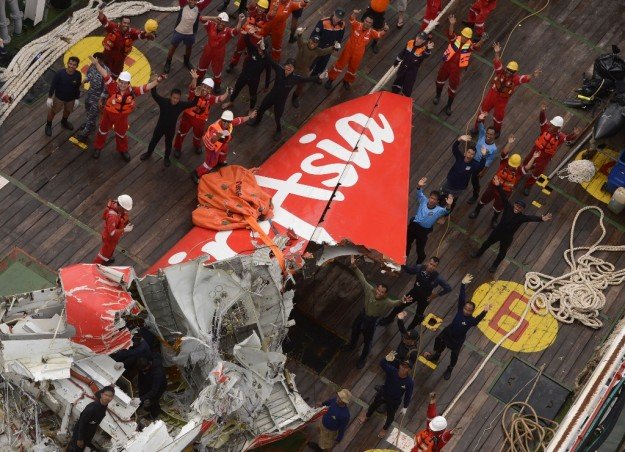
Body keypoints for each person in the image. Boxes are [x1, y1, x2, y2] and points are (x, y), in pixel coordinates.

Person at [341, 256, 412, 369]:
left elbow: (396, 303)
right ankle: (352, 345)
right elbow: (362, 278)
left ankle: (363, 358)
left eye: (382, 292)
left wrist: (402, 301)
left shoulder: (387, 302)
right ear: (376, 288)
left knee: (368, 342)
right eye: (378, 290)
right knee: (354, 330)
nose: (379, 293)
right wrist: (354, 267)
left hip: (371, 322)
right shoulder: (369, 290)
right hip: (362, 316)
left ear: (385, 294)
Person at [471, 179, 552, 272]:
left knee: (502, 253)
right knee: (486, 243)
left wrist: (541, 219)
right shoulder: (508, 207)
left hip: (507, 237)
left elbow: (531, 218)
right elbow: (503, 196)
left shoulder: (522, 218)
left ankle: (495, 265)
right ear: (514, 205)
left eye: (520, 208)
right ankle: (478, 254)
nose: (517, 208)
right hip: (497, 232)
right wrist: (498, 186)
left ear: (522, 210)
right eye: (517, 206)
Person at [90, 57, 163, 160]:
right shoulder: (112, 86)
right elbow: (105, 74)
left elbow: (146, 87)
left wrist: (158, 81)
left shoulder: (133, 92)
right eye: (121, 82)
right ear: (118, 81)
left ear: (128, 84)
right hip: (108, 115)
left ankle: (122, 150)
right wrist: (97, 64)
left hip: (122, 118)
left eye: (125, 83)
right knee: (102, 131)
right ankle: (98, 148)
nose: (122, 85)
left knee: (121, 134)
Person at [423, 274, 490, 379]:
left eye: (469, 310)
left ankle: (450, 368)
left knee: (454, 355)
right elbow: (462, 297)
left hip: (457, 340)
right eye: (465, 308)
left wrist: (484, 312)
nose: (466, 311)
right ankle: (436, 355)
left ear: (472, 311)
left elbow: (478, 320)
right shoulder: (460, 309)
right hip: (448, 332)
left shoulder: (471, 321)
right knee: (439, 341)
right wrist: (463, 284)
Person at [474, 42, 540, 136]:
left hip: (502, 100)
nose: (509, 72)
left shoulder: (516, 79)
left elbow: (525, 78)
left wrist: (533, 75)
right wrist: (497, 52)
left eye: (512, 71)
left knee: (498, 117)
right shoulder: (500, 72)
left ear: (515, 72)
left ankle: (497, 131)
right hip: (492, 95)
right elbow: (497, 62)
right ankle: (477, 128)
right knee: (482, 112)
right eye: (508, 69)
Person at [469, 141, 540, 228]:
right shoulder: (504, 162)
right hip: (493, 187)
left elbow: (527, 167)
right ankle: (476, 211)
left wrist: (533, 157)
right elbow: (504, 152)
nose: (512, 166)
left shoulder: (519, 171)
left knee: (499, 207)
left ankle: (494, 219)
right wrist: (509, 143)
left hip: (504, 193)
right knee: (483, 199)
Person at [248, 58, 322, 140]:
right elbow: (270, 60)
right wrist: (264, 49)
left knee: (278, 118)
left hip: (280, 101)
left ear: (294, 69)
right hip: (271, 96)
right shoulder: (279, 70)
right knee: (261, 109)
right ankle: (257, 121)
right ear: (284, 66)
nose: (289, 68)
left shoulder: (295, 78)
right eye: (288, 65)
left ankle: (278, 131)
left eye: (292, 67)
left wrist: (318, 77)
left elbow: (307, 79)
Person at [522, 103, 580, 195]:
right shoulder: (545, 128)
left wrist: (574, 134)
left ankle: (528, 185)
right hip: (535, 151)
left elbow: (567, 138)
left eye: (554, 126)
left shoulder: (560, 136)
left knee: (537, 172)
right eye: (552, 124)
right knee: (526, 162)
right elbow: (542, 120)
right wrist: (542, 111)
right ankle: (522, 172)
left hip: (545, 157)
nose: (552, 126)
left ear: (558, 128)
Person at [379, 257, 451, 329]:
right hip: (414, 292)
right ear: (427, 262)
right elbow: (410, 271)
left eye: (434, 266)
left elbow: (448, 288)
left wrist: (436, 295)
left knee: (418, 316)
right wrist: (402, 263)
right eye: (430, 264)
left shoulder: (438, 278)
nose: (431, 267)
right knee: (400, 305)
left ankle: (409, 331)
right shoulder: (419, 268)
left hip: (425, 298)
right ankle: (389, 318)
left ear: (436, 267)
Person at [434, 14, 485, 115]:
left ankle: (449, 105)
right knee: (440, 81)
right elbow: (450, 33)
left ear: (469, 38)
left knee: (453, 88)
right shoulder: (455, 39)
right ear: (461, 34)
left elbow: (476, 47)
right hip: (446, 64)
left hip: (457, 70)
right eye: (464, 36)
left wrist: (482, 40)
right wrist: (451, 24)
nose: (464, 39)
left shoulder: (470, 45)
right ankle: (438, 96)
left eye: (467, 38)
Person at [325, 10, 388, 90]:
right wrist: (354, 13)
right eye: (366, 21)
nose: (367, 23)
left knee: (353, 68)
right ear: (364, 20)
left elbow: (379, 35)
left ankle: (347, 81)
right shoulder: (357, 25)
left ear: (371, 24)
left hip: (358, 54)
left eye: (369, 23)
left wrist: (385, 30)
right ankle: (330, 80)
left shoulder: (372, 32)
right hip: (348, 50)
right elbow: (352, 19)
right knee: (339, 65)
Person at [139, 86, 198, 166]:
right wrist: (154, 84)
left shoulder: (181, 105)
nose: (175, 100)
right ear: (170, 96)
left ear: (179, 99)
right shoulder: (164, 102)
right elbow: (155, 95)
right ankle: (148, 154)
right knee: (154, 141)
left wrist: (197, 96)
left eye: (177, 98)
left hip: (170, 129)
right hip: (160, 127)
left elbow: (193, 103)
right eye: (174, 98)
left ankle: (166, 158)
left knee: (168, 144)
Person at [358, 355, 414, 439]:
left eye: (406, 367)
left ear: (409, 370)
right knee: (373, 405)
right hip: (383, 394)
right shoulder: (392, 370)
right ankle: (367, 416)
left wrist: (405, 407)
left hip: (394, 401)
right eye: (402, 365)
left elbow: (408, 395)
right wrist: (386, 358)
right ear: (400, 365)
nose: (403, 368)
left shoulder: (409, 382)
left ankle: (385, 429)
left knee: (390, 416)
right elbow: (382, 364)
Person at [174, 71, 228, 156]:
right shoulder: (196, 92)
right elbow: (192, 87)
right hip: (188, 117)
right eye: (204, 86)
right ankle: (177, 147)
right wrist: (195, 79)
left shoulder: (210, 98)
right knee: (181, 132)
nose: (205, 89)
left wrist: (227, 93)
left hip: (200, 120)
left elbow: (220, 99)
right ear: (201, 86)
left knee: (198, 135)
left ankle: (197, 145)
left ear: (210, 90)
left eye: (208, 88)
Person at [193, 109, 256, 183]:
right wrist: (221, 134)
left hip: (221, 144)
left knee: (224, 150)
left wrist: (249, 117)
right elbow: (212, 140)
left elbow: (239, 120)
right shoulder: (214, 128)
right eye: (224, 121)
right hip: (213, 148)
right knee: (210, 163)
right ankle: (196, 173)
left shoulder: (230, 123)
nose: (226, 123)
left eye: (228, 122)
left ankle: (220, 161)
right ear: (222, 119)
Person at [467, 113, 513, 204]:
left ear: (494, 135)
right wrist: (480, 118)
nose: (488, 135)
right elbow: (480, 124)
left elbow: (489, 161)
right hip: (471, 159)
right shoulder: (482, 135)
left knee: (474, 180)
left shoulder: (493, 149)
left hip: (479, 164)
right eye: (487, 133)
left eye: (491, 134)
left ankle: (475, 194)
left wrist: (483, 171)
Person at [406, 177, 452, 264]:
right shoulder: (423, 200)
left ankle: (419, 262)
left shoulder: (439, 210)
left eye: (434, 199)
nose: (432, 200)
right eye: (431, 198)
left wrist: (449, 205)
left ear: (438, 201)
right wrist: (419, 186)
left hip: (423, 231)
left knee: (420, 249)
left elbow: (447, 210)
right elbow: (419, 193)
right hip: (414, 226)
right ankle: (404, 258)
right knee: (406, 243)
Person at [98, 8, 154, 78]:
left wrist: (148, 33)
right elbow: (104, 21)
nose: (126, 25)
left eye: (128, 23)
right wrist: (101, 13)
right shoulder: (113, 27)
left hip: (119, 61)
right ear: (120, 23)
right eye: (124, 23)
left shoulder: (131, 32)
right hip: (107, 56)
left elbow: (141, 35)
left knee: (115, 76)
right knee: (100, 74)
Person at [197, 13, 245, 93]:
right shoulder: (211, 25)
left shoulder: (228, 31)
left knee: (217, 69)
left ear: (226, 23)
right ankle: (199, 79)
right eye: (220, 21)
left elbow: (236, 31)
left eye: (224, 22)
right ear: (217, 20)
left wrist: (240, 21)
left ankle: (217, 84)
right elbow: (201, 18)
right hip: (208, 50)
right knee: (202, 65)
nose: (221, 24)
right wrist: (212, 17)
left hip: (219, 53)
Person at [291, 29, 337, 107]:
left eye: (316, 43)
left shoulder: (318, 51)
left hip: (304, 71)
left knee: (300, 87)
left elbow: (325, 51)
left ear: (318, 44)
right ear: (309, 40)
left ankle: (294, 98)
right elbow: (299, 39)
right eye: (312, 41)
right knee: (287, 83)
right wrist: (299, 34)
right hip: (294, 68)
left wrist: (333, 47)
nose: (313, 43)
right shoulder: (303, 44)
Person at [164, 0, 212, 73]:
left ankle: (186, 61)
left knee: (189, 47)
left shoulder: (200, 6)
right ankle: (168, 61)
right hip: (179, 30)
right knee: (174, 46)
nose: (193, 1)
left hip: (191, 32)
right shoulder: (183, 2)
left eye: (195, 0)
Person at [223, 36, 270, 112]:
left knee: (253, 96)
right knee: (236, 89)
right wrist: (249, 33)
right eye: (259, 47)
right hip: (244, 75)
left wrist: (267, 86)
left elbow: (268, 73)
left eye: (261, 48)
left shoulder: (267, 59)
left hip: (254, 80)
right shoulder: (253, 49)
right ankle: (231, 102)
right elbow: (246, 39)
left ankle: (251, 109)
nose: (259, 50)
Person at [66, 386, 115, 451]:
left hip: (87, 437)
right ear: (101, 394)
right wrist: (80, 439)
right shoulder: (92, 408)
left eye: (110, 396)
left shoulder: (103, 407)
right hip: (79, 437)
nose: (108, 398)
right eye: (106, 395)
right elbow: (82, 423)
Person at [74, 53, 108, 143]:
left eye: (96, 60)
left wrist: (101, 100)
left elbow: (107, 88)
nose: (93, 61)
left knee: (92, 115)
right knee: (88, 109)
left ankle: (84, 134)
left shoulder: (105, 72)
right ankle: (91, 125)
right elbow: (89, 75)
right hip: (90, 93)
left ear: (101, 61)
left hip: (98, 98)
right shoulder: (92, 65)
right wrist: (85, 80)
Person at [226, 0, 269, 71]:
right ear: (257, 5)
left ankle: (245, 68)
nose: (260, 9)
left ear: (265, 9)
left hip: (254, 39)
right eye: (259, 6)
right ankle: (232, 64)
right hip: (244, 35)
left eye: (263, 8)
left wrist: (255, 34)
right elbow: (251, 5)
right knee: (238, 50)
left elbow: (263, 33)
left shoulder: (266, 18)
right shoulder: (251, 11)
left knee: (250, 55)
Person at [45, 56, 82, 136]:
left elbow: (77, 87)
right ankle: (48, 125)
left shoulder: (78, 75)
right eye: (70, 64)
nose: (71, 66)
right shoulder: (59, 73)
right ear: (67, 63)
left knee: (68, 110)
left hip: (71, 98)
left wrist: (77, 98)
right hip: (59, 97)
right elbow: (53, 86)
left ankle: (64, 122)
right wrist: (50, 97)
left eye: (74, 65)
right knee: (53, 111)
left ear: (77, 66)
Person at [93, 194, 133, 265]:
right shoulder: (112, 217)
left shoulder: (116, 206)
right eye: (124, 209)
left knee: (110, 250)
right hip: (109, 239)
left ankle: (107, 258)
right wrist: (125, 229)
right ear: (120, 206)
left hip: (112, 238)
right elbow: (112, 233)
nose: (126, 211)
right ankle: (95, 265)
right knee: (104, 253)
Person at [391, 32, 434, 97]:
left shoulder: (424, 49)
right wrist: (397, 60)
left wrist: (428, 49)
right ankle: (394, 93)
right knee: (398, 79)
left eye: (420, 39)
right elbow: (403, 52)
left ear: (424, 41)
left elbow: (426, 55)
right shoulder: (410, 42)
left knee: (408, 85)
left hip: (412, 71)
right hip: (403, 67)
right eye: (418, 37)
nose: (418, 39)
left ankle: (405, 98)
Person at [309, 8, 346, 77]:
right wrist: (314, 45)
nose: (337, 19)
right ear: (334, 13)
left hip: (329, 48)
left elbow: (340, 37)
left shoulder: (342, 25)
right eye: (336, 16)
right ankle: (305, 74)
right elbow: (314, 34)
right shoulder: (323, 22)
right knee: (311, 62)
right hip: (319, 46)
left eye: (339, 18)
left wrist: (336, 47)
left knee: (323, 63)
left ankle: (314, 76)